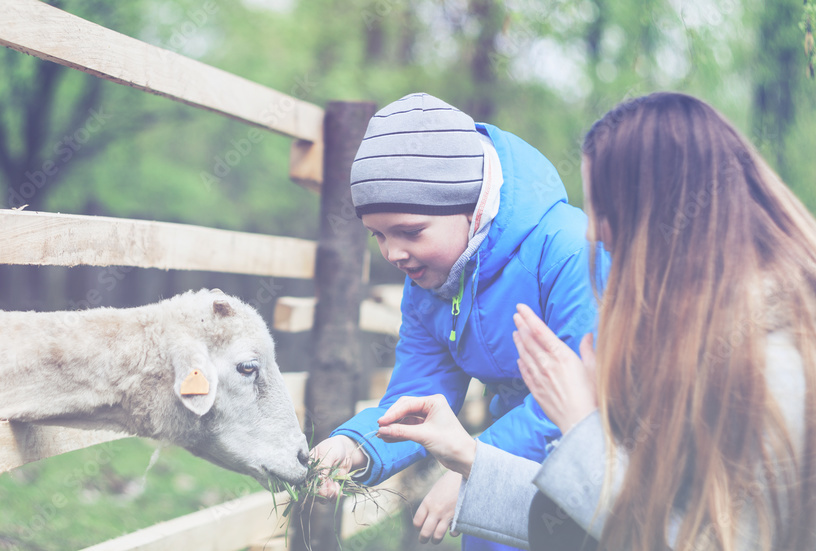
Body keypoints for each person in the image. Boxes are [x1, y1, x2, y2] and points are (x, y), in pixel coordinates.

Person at [375, 91, 816, 551]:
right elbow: (617, 514)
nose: (591, 229)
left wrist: (581, 423)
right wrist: (472, 458)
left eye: (603, 207)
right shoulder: (696, 339)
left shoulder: (774, 364)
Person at [310, 92, 607, 551]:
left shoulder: (568, 249)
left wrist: (476, 464)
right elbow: (418, 396)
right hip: (503, 456)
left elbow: (584, 394)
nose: (392, 253)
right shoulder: (429, 277)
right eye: (378, 236)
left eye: (409, 232)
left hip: (589, 465)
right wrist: (355, 446)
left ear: (471, 206)